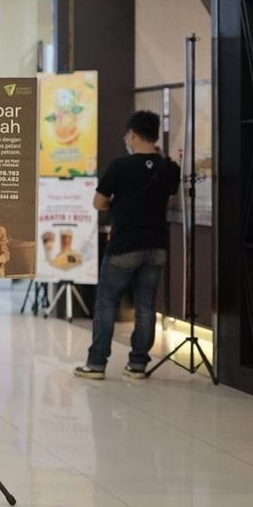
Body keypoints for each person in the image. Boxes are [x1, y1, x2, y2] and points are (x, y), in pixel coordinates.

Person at [75, 110, 180, 380]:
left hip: (124, 245)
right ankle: (137, 365)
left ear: (132, 134)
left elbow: (98, 203)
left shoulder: (120, 166)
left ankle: (96, 364)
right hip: (156, 246)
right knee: (145, 306)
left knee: (107, 303)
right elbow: (168, 198)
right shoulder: (169, 168)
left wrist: (118, 204)